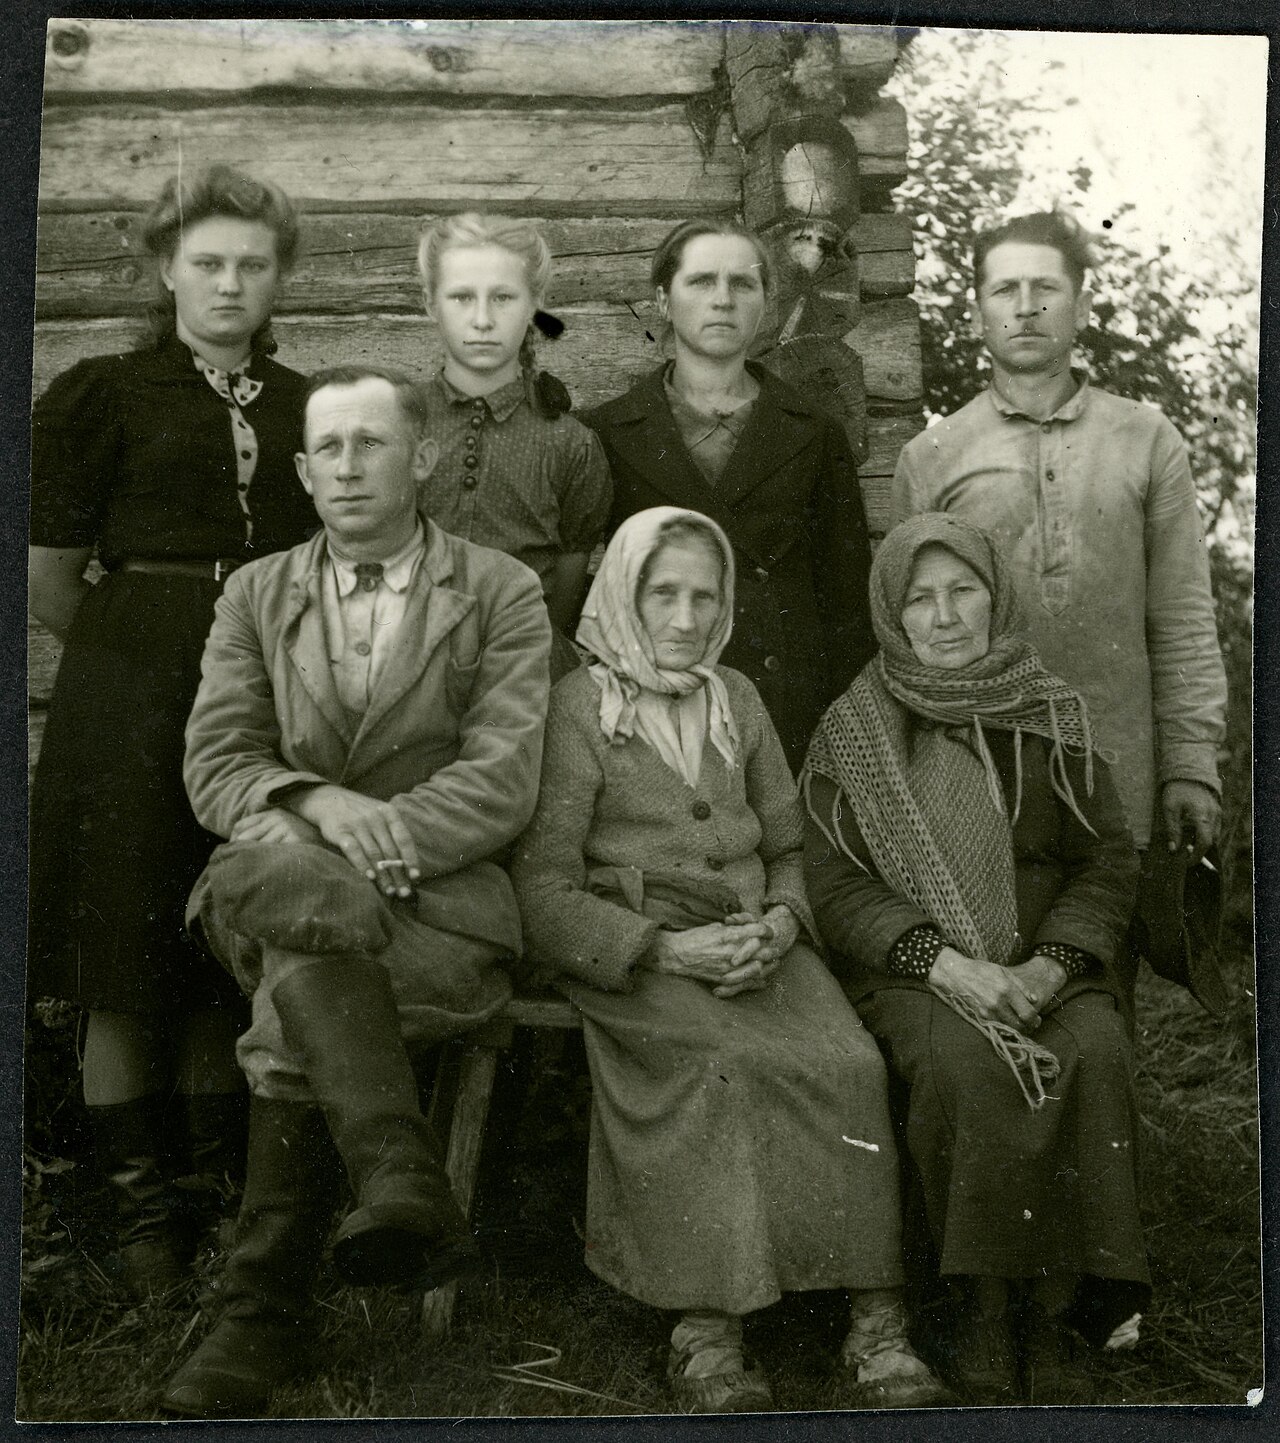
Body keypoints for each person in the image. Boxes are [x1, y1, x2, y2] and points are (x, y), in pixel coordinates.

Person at [160, 365, 551, 1418]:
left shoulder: (501, 591)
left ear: (419, 457)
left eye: (369, 444)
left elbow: (503, 777)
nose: (346, 467)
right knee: (290, 893)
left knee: (301, 968)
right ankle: (396, 1176)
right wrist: (326, 809)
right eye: (326, 449)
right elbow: (216, 763)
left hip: (440, 912)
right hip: (282, 868)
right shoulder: (255, 593)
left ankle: (261, 1312)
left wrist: (374, 835)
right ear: (299, 468)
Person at [511, 506, 948, 1415]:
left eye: (703, 596)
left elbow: (791, 848)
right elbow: (545, 888)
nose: (683, 616)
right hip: (642, 954)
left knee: (850, 1063)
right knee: (720, 1064)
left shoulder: (736, 699)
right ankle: (708, 1329)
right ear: (622, 595)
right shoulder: (577, 709)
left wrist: (784, 925)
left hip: (757, 940)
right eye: (661, 592)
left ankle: (875, 1324)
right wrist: (664, 947)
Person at [27, 164, 317, 1298]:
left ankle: (214, 1205)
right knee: (123, 957)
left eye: (252, 264)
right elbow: (52, 581)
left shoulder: (304, 406)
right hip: (129, 695)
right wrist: (141, 643)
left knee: (219, 952)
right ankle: (139, 1218)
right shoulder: (100, 393)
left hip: (264, 694)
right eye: (208, 263)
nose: (230, 284)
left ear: (278, 275)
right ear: (164, 270)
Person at [802, 513, 1147, 1406]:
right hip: (918, 969)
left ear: (997, 600)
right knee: (960, 1065)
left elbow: (1107, 859)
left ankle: (1060, 1310)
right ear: (891, 611)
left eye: (965, 591)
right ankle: (979, 1308)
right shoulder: (853, 730)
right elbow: (838, 888)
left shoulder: (1051, 713)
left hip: (1048, 964)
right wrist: (946, 964)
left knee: (1095, 1052)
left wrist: (1050, 966)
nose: (945, 615)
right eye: (920, 598)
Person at [890, 211, 1227, 873]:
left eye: (1045, 288)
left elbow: (1182, 614)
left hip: (1118, 779)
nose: (1025, 308)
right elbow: (907, 648)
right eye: (1003, 290)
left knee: (1105, 967)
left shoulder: (1146, 439)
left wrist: (1190, 765)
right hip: (980, 783)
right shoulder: (931, 455)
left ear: (1082, 303)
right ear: (976, 311)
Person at [583, 219, 875, 771]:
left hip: (783, 713)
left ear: (765, 301)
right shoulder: (609, 433)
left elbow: (847, 608)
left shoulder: (813, 432)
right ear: (663, 300)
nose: (722, 300)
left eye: (742, 284)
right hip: (651, 712)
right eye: (700, 282)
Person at [416, 212, 612, 674]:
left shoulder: (569, 443)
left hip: (523, 672)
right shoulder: (399, 420)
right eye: (462, 297)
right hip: (406, 666)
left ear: (534, 305)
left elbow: (567, 577)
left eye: (503, 297)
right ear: (430, 304)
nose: (482, 319)